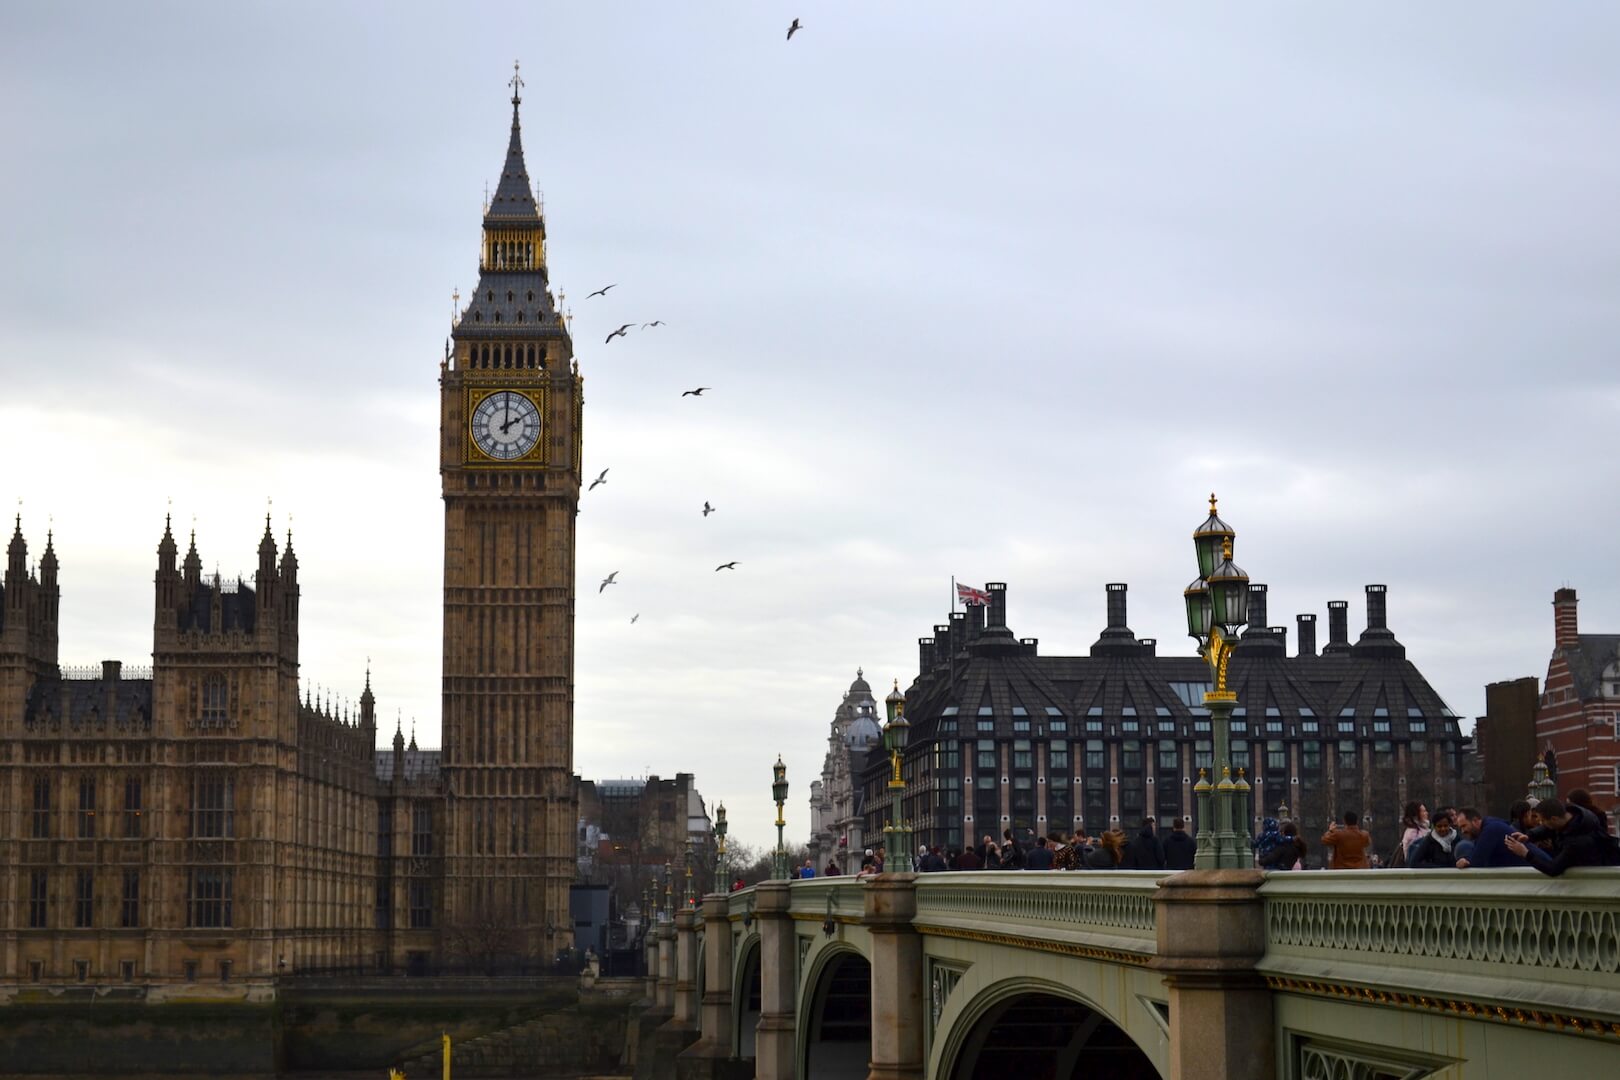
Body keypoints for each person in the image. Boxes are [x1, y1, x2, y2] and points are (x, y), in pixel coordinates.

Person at [1504, 797, 1620, 875]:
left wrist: (1525, 853)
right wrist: (1529, 836)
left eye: (1543, 820)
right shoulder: (1573, 816)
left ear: (1554, 819)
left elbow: (1553, 869)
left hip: (1595, 878)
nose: (1541, 824)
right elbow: (1548, 828)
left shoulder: (1576, 842)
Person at [1453, 808, 1525, 869]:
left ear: (1475, 821)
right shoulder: (1490, 826)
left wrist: (1465, 861)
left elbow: (1476, 862)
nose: (1462, 831)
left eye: (1464, 826)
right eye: (1460, 828)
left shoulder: (1490, 830)